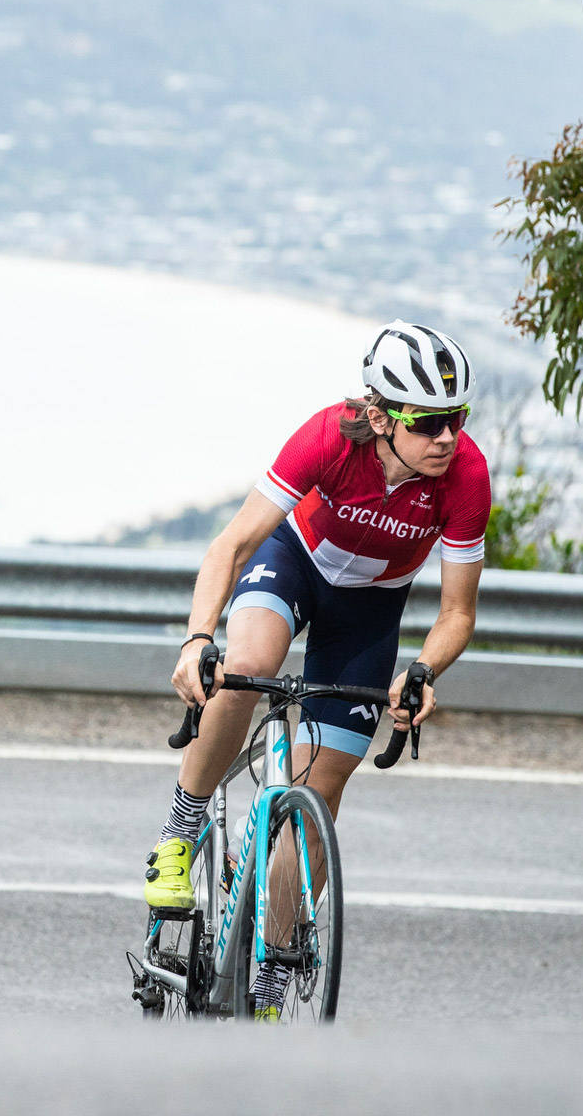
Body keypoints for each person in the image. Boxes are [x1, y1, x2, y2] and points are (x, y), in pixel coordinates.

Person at [141, 319, 490, 1019]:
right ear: (380, 416)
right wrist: (194, 640)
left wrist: (423, 670)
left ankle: (269, 978)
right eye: (428, 423)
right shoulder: (330, 437)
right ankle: (180, 832)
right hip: (293, 564)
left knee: (321, 790)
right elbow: (233, 544)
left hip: (370, 611)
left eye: (456, 419)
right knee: (247, 666)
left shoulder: (464, 476)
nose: (447, 438)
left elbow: (457, 614)